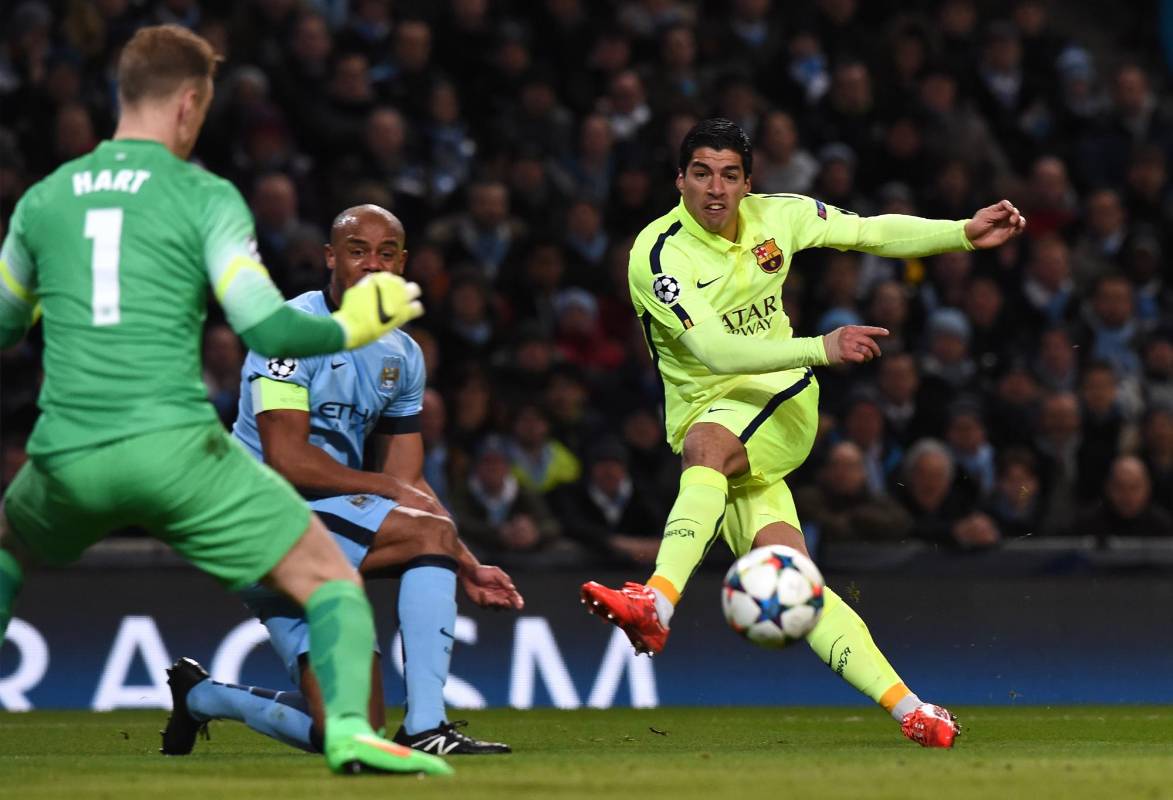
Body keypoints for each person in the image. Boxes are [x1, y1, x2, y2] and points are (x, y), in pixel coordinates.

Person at [0, 26, 448, 777]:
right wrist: (352, 325)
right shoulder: (206, 198)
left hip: (67, 455)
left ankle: (232, 702)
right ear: (189, 103)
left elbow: (6, 324)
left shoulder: (43, 201)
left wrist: (48, 304)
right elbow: (267, 325)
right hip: (181, 458)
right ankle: (346, 733)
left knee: (7, 553)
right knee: (329, 581)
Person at [581, 118, 1026, 749]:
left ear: (748, 183)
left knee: (708, 445)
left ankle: (657, 603)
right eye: (701, 173)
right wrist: (824, 344)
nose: (716, 189)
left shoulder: (779, 216)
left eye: (730, 175)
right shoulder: (657, 256)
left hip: (779, 396)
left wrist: (960, 234)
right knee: (793, 578)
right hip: (717, 406)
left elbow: (869, 232)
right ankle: (915, 711)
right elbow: (713, 350)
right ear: (679, 180)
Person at [163, 205, 522, 756]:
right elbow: (288, 461)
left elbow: (409, 482)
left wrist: (467, 563)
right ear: (332, 258)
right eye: (357, 251)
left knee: (351, 729)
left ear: (402, 263)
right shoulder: (289, 332)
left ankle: (202, 697)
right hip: (255, 524)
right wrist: (402, 506)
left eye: (386, 253)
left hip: (318, 534)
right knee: (427, 534)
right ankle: (428, 727)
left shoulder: (402, 354)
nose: (371, 264)